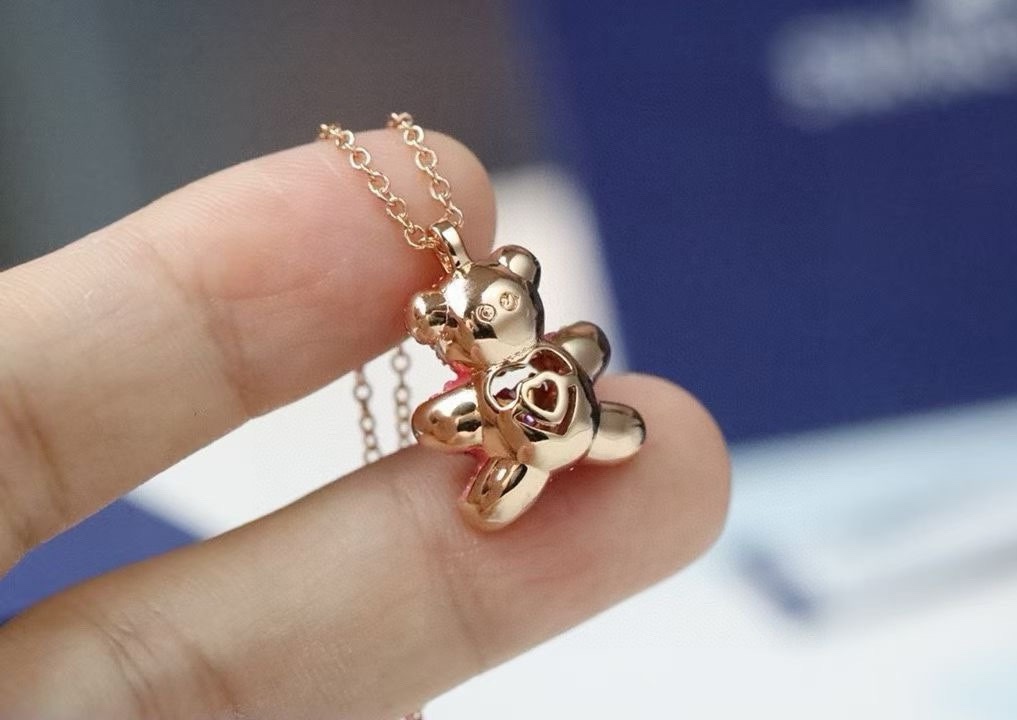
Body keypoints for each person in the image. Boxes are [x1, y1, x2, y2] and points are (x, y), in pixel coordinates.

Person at [0, 129, 730, 718]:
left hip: (577, 423)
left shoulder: (541, 343)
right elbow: (443, 422)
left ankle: (594, 437)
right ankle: (549, 459)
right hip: (525, 457)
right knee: (501, 493)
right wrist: (461, 422)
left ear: (521, 278)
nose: (491, 318)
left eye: (502, 304)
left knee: (611, 421)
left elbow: (585, 346)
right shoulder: (480, 381)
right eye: (475, 321)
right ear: (448, 334)